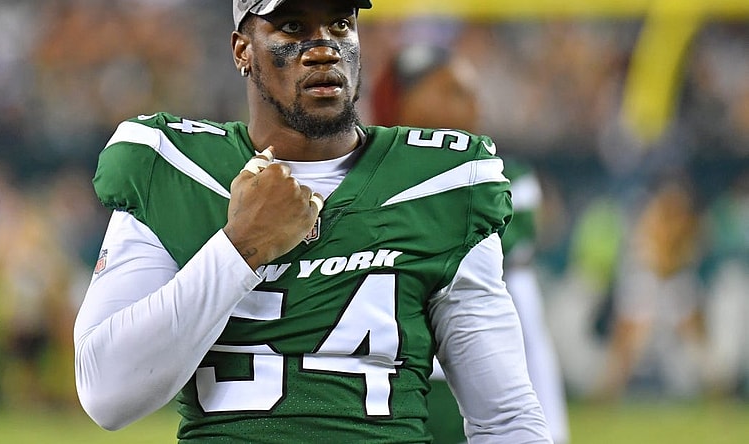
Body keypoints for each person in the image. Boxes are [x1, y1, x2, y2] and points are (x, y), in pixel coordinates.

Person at [73, 1, 552, 442]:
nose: (323, 48)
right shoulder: (175, 167)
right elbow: (107, 395)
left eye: (340, 23)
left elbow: (505, 418)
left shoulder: (440, 185)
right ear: (243, 50)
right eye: (294, 27)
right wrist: (239, 248)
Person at [370, 44, 569, 443]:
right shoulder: (361, 179)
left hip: (496, 372)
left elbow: (482, 237)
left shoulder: (504, 175)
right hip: (397, 377)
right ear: (404, 102)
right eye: (452, 91)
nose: (474, 104)